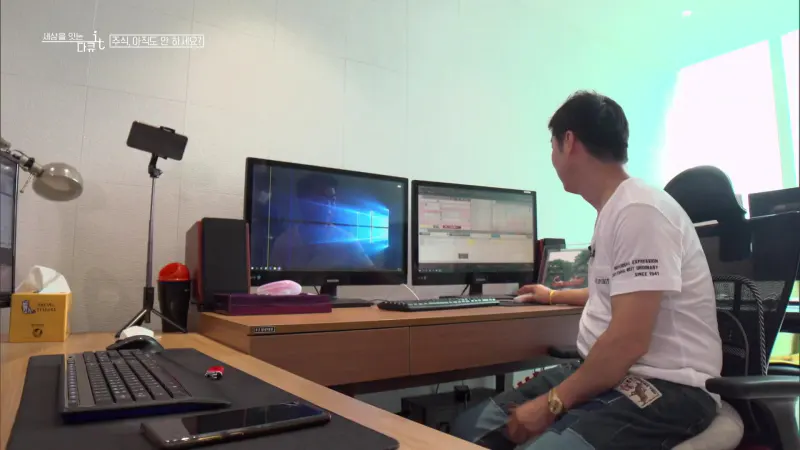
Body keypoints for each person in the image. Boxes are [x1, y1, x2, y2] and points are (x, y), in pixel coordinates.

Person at [452, 91, 723, 449]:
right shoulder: (615, 209)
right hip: (607, 374)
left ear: (568, 141)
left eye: (552, 146)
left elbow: (628, 341)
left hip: (666, 386)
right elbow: (613, 294)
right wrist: (552, 295)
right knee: (469, 429)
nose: (552, 158)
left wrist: (551, 404)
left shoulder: (640, 211)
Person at [270, 173, 374, 269]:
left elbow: (372, 273)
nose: (328, 206)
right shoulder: (284, 242)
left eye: (332, 200)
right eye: (320, 199)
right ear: (302, 203)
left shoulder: (347, 241)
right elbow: (272, 278)